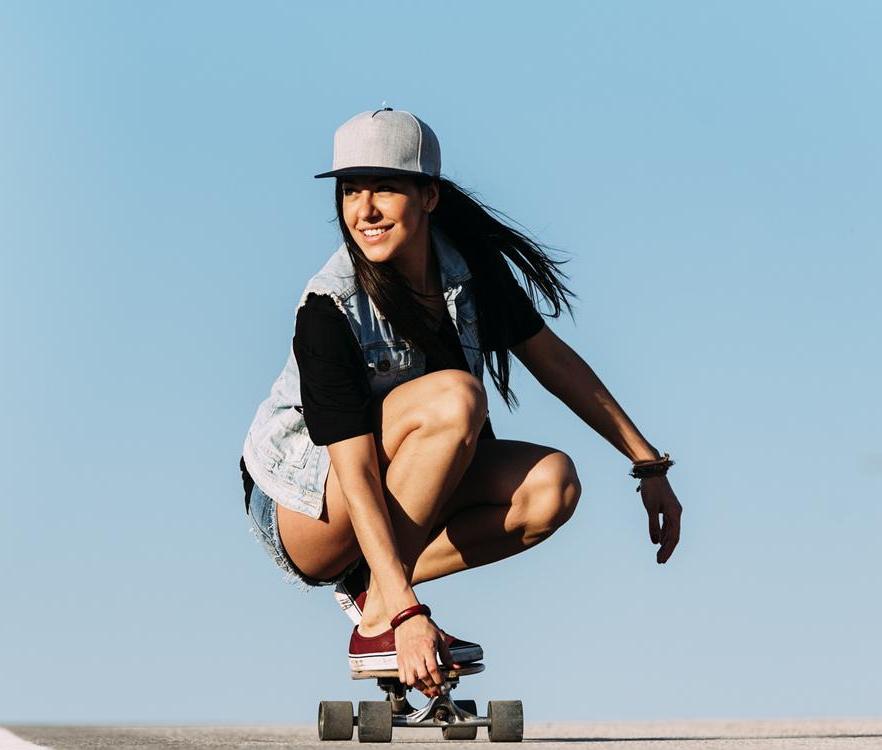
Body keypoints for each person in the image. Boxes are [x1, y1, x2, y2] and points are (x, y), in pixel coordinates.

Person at [238, 108, 682, 699]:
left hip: (393, 483)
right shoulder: (330, 307)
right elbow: (355, 468)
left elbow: (552, 361)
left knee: (553, 486)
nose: (363, 210)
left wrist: (648, 465)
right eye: (350, 191)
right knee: (455, 397)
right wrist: (404, 612)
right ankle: (382, 612)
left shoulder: (468, 273)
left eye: (385, 188)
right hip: (303, 507)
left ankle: (373, 591)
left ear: (429, 197)